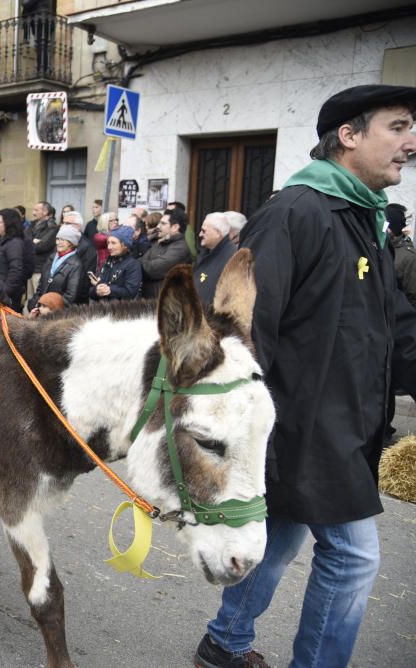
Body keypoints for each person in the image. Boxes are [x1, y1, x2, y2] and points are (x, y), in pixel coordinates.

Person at [193, 84, 416, 668]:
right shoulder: (297, 211)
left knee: (283, 538)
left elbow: (390, 324)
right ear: (349, 135)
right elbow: (243, 331)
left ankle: (224, 642)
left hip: (346, 422)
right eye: (397, 127)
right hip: (304, 426)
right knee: (353, 557)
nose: (409, 143)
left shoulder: (361, 216)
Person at [139, 209, 192, 299]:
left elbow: (153, 269)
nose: (158, 226)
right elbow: (142, 260)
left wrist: (138, 265)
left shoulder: (181, 248)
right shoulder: (160, 242)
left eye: (163, 224)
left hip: (163, 301)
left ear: (175, 227)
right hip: (151, 298)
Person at [27, 224, 82, 309]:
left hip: (57, 314)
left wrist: (50, 309)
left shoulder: (75, 265)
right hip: (42, 309)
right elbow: (41, 286)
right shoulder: (51, 258)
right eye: (58, 239)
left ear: (72, 243)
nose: (59, 242)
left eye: (63, 240)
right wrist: (35, 304)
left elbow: (70, 296)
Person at [192, 211, 237, 306]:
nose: (200, 234)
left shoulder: (232, 258)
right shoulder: (206, 252)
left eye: (204, 231)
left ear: (217, 233)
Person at [0, 208, 27, 310]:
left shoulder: (14, 243)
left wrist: (3, 293)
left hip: (5, 297)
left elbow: (16, 271)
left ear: (8, 224)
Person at [88, 226, 141, 301]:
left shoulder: (133, 265)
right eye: (108, 243)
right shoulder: (107, 262)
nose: (109, 247)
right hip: (102, 309)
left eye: (113, 243)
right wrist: (97, 290)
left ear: (125, 245)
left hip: (121, 310)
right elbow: (91, 291)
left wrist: (110, 290)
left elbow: (131, 292)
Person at [21, 0, 54, 77]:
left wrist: (24, 4)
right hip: (43, 20)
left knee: (41, 46)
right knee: (42, 46)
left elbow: (27, 4)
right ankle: (43, 69)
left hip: (41, 20)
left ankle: (42, 70)